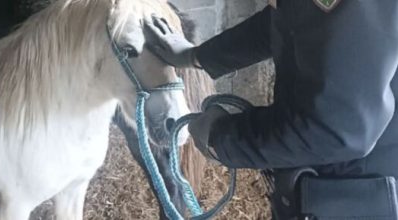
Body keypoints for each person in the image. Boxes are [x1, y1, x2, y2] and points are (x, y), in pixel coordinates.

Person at [145, 0, 398, 219]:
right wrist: (198, 57)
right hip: (336, 186)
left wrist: (223, 139)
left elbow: (335, 130)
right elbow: (295, 21)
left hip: (350, 196)